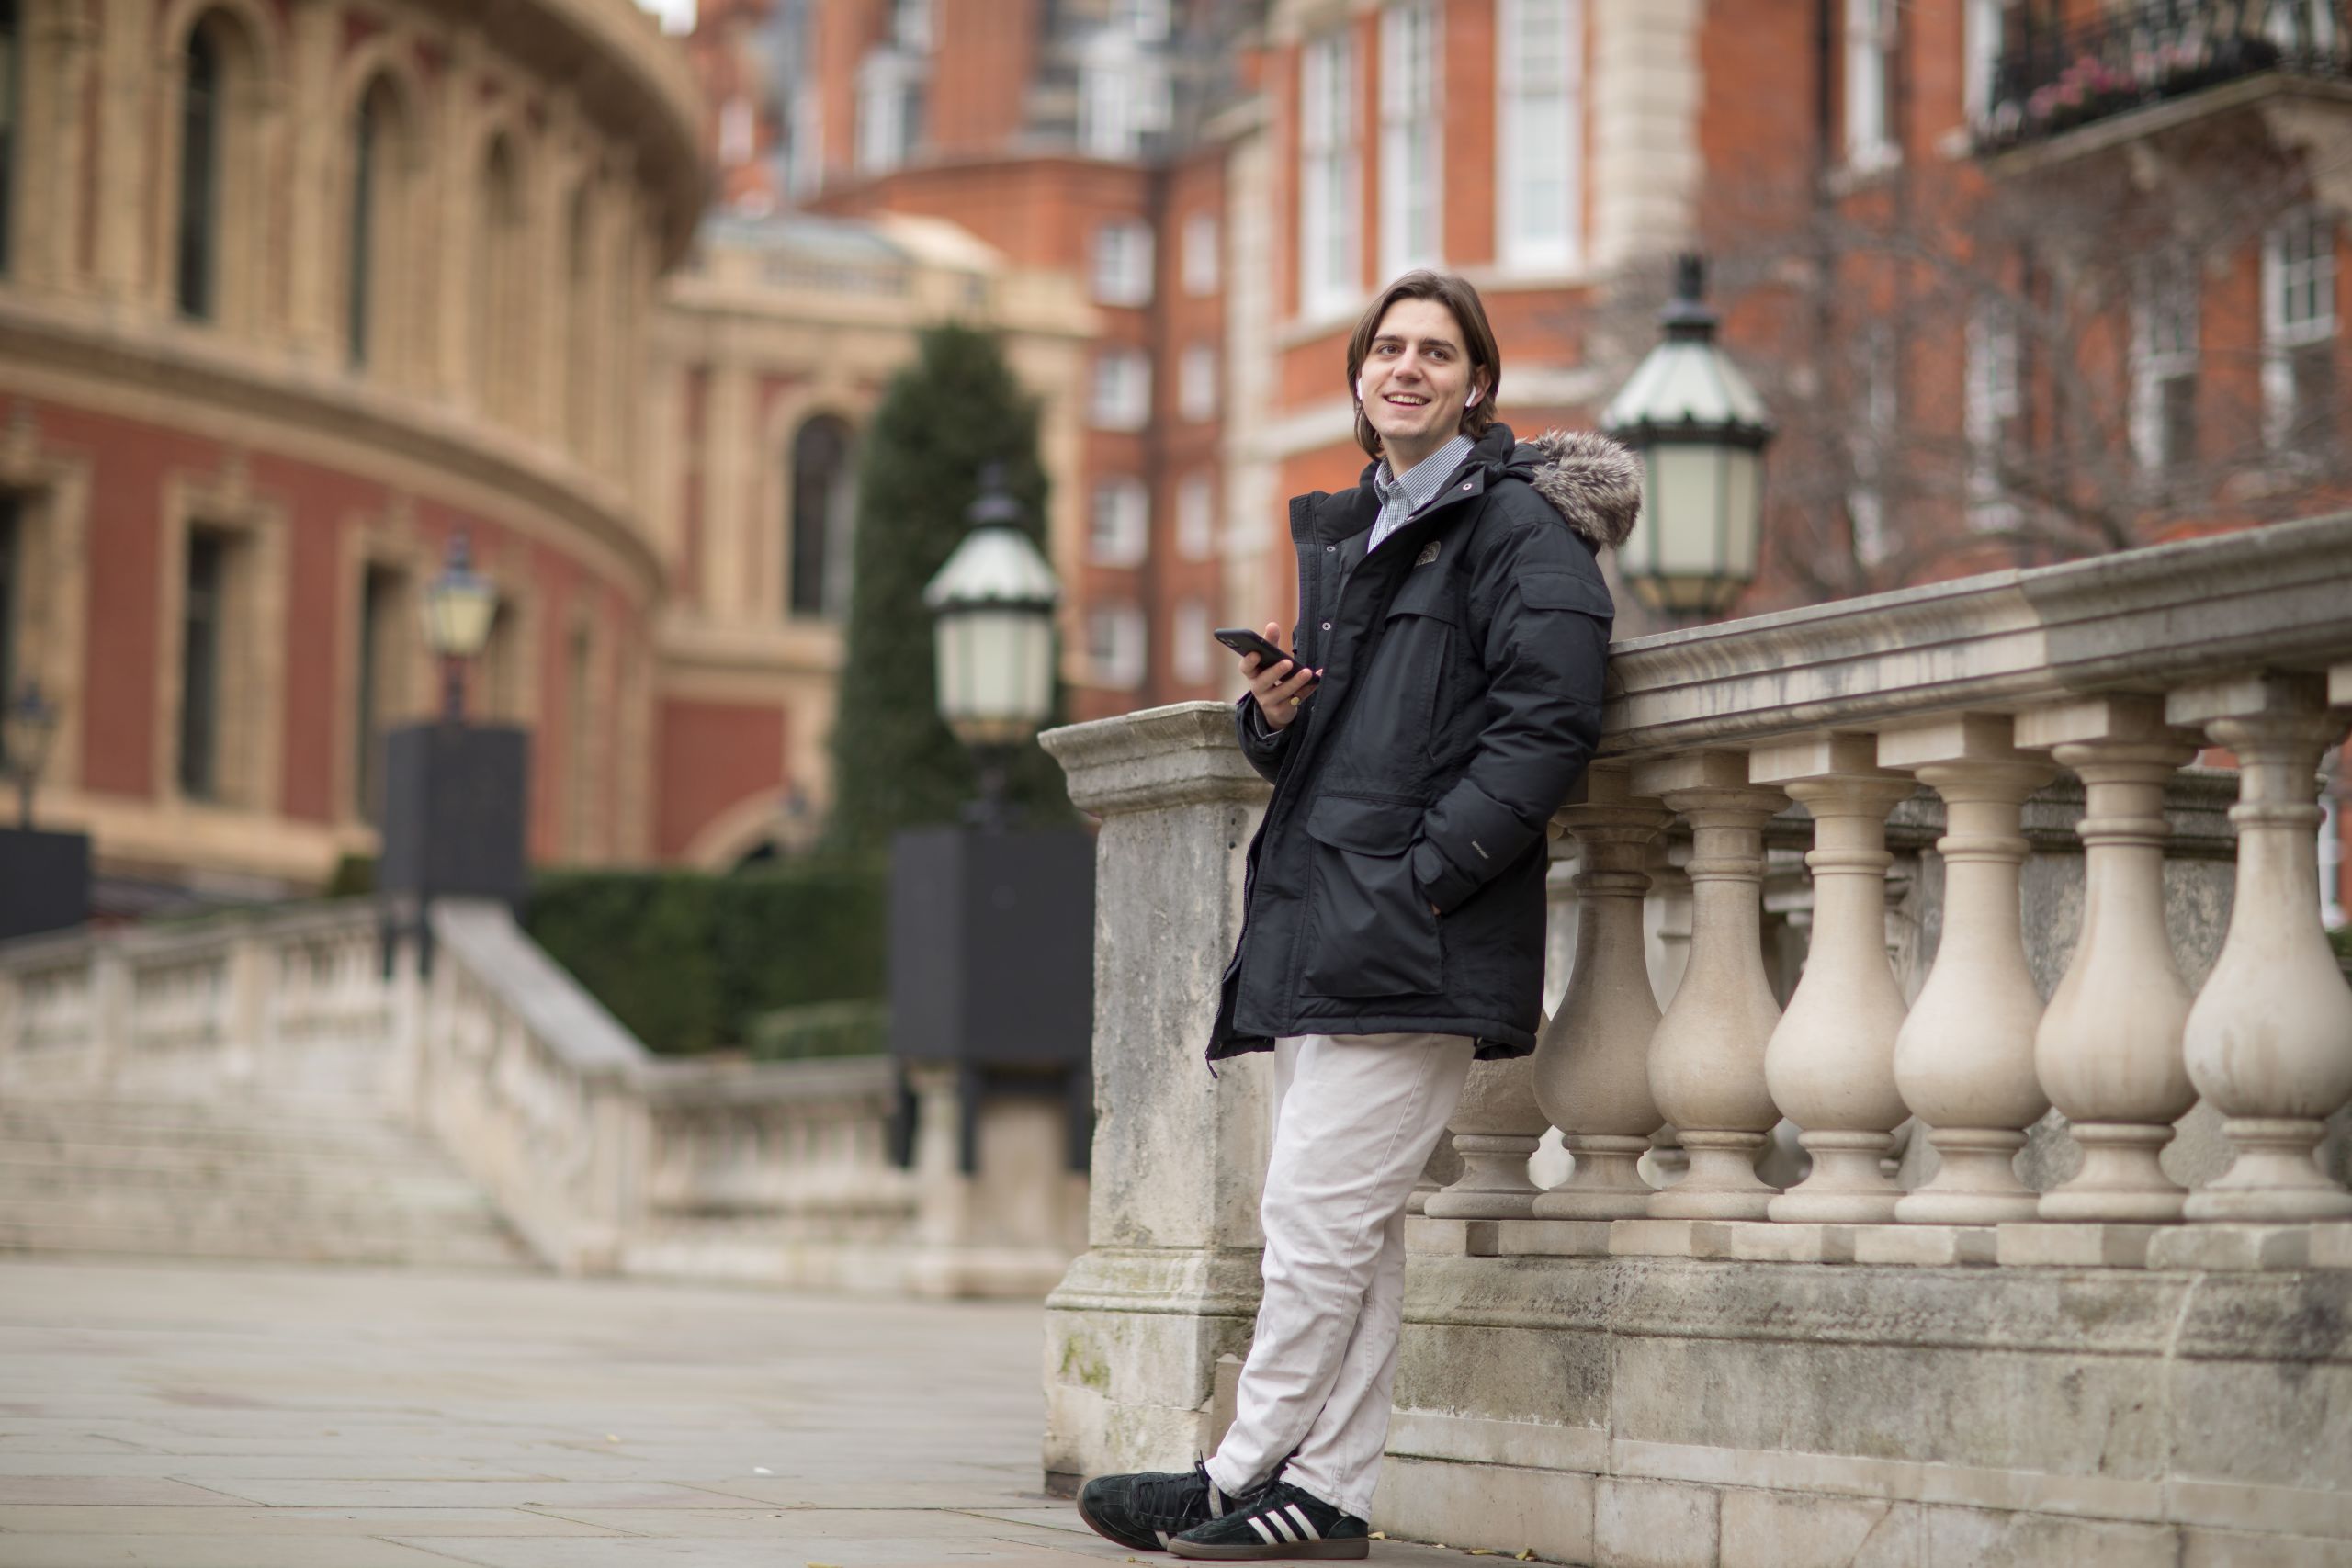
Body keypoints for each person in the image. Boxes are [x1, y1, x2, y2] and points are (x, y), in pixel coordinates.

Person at [1077, 270, 1638, 1561]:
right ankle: (1325, 1495)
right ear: (1358, 378)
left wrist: (1429, 874)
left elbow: (1548, 724)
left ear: (1477, 385)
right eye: (1387, 348)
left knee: (1314, 1219)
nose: (1408, 368)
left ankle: (1230, 1473)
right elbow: (1346, 748)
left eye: (1437, 352)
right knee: (1354, 1227)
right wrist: (1271, 715)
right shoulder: (1350, 532)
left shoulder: (1519, 535)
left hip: (1416, 930)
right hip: (1329, 921)